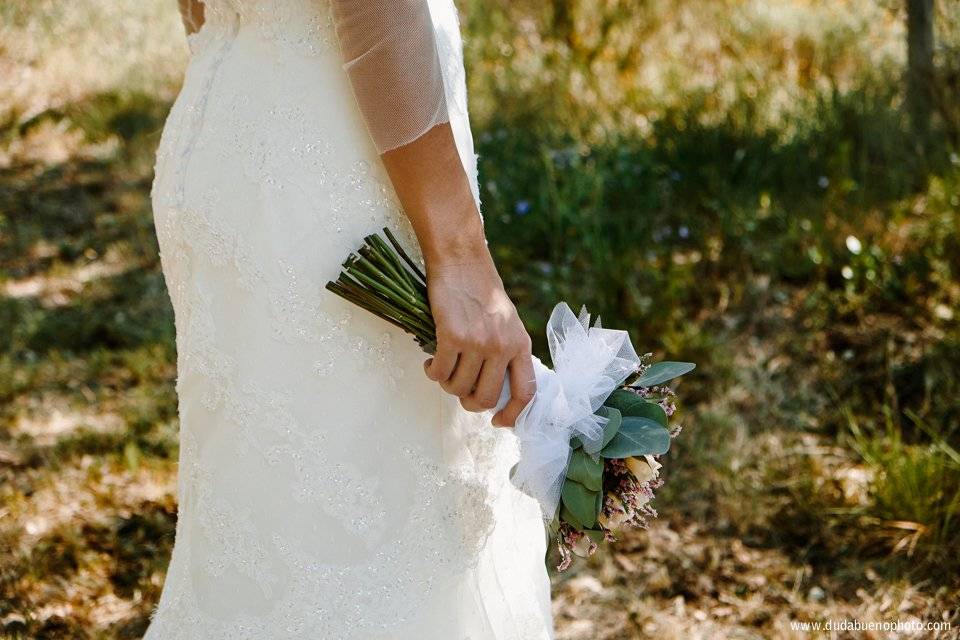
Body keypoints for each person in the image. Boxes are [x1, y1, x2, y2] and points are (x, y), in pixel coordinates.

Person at [143, 0, 554, 637]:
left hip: (226, 134)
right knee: (370, 535)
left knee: (275, 517)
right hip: (333, 172)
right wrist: (461, 254)